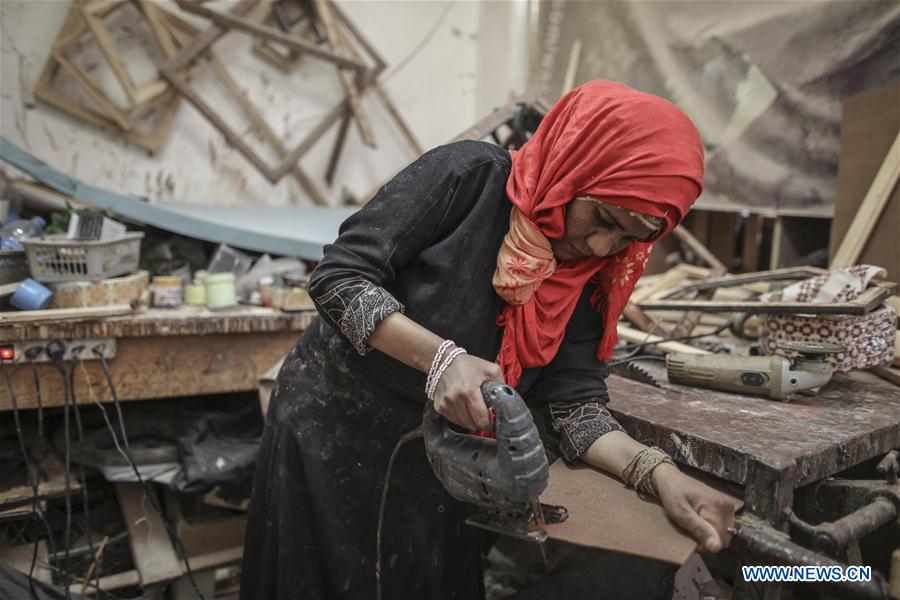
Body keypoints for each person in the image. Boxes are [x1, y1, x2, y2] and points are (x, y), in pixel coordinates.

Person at [240, 80, 736, 600]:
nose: (600, 244)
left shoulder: (592, 270)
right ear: (575, 165)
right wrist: (442, 359)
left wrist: (661, 476)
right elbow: (337, 278)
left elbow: (576, 411)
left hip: (441, 458)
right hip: (334, 428)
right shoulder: (469, 178)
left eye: (628, 239)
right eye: (604, 218)